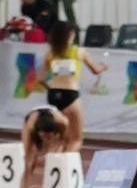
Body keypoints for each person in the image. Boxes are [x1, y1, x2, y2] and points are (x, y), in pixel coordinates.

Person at [43, 21, 106, 152]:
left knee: (59, 138)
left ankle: (52, 167)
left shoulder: (50, 54)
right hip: (70, 95)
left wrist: (50, 88)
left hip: (53, 95)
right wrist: (103, 67)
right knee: (76, 139)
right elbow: (95, 70)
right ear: (71, 34)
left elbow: (39, 79)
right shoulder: (79, 52)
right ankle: (65, 168)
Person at [14, 106, 69, 188]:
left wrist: (54, 153)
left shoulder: (62, 123)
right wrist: (31, 161)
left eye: (49, 136)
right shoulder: (31, 126)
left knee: (57, 161)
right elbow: (27, 152)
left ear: (54, 132)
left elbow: (64, 142)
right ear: (39, 132)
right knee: (29, 163)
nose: (45, 138)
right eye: (43, 135)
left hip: (54, 124)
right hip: (33, 121)